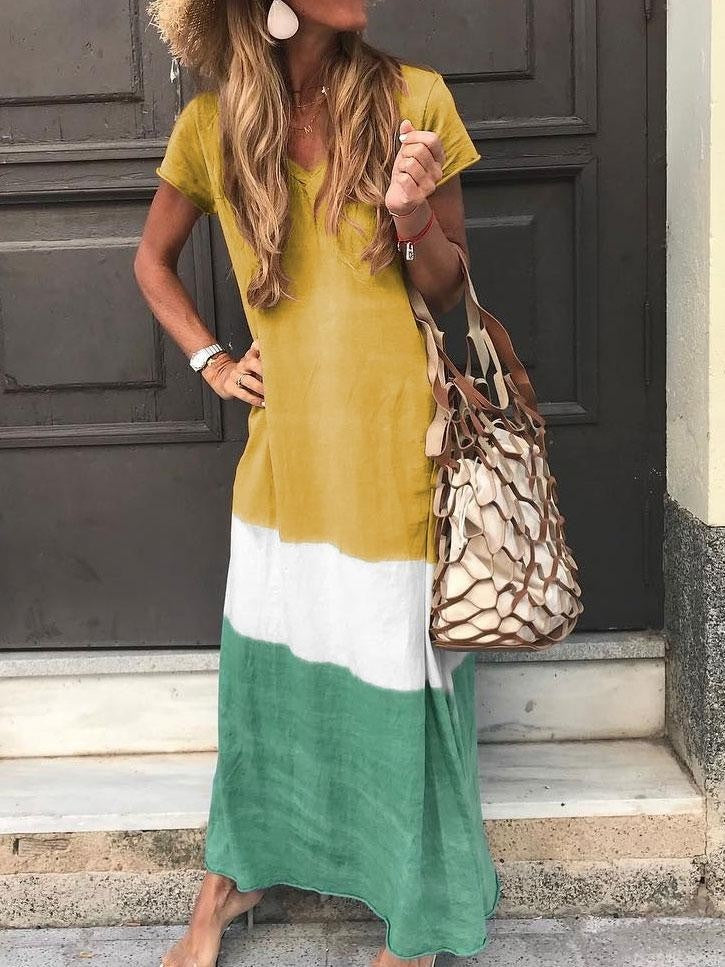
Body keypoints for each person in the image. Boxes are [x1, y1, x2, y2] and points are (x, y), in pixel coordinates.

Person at [135, 1, 501, 964]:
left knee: (397, 668)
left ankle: (414, 914)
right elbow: (152, 262)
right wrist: (214, 359)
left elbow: (448, 288)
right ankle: (232, 879)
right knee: (268, 670)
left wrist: (413, 216)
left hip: (398, 448)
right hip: (287, 458)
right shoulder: (209, 128)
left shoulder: (416, 99)